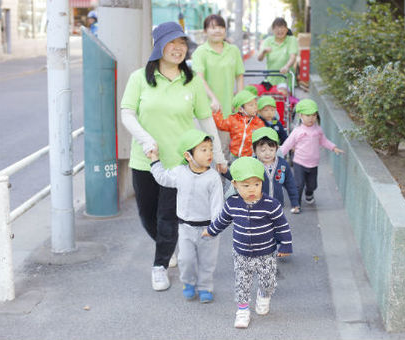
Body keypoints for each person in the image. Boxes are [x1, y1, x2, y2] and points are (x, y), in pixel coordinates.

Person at [120, 21, 226, 292]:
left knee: (168, 216)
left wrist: (219, 155)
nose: (178, 49)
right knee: (147, 215)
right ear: (159, 46)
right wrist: (145, 139)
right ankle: (167, 246)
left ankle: (159, 265)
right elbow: (127, 113)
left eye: (182, 44)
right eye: (172, 43)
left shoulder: (191, 81)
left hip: (180, 163)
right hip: (146, 160)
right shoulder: (139, 78)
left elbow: (205, 119)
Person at [202, 157, 293, 329]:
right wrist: (211, 230)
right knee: (242, 283)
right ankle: (242, 310)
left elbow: (282, 225)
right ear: (235, 184)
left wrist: (286, 244)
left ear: (261, 183)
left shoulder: (270, 205)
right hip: (241, 254)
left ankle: (263, 295)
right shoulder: (232, 204)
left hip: (266, 252)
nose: (252, 189)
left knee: (268, 280)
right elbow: (222, 220)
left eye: (256, 184)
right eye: (246, 185)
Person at [149, 129, 223, 303]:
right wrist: (154, 160)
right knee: (186, 259)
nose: (209, 154)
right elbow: (163, 178)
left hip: (208, 229)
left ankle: (205, 287)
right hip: (185, 227)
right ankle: (188, 283)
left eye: (210, 149)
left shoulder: (213, 177)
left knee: (207, 262)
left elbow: (217, 204)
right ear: (188, 155)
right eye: (203, 150)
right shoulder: (180, 172)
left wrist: (215, 227)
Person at [191, 14, 245, 161]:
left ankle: (220, 183)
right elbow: (199, 78)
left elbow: (239, 75)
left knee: (223, 150)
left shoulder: (233, 50)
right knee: (203, 151)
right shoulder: (200, 52)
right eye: (212, 27)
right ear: (205, 31)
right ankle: (205, 183)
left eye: (221, 27)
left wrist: (239, 101)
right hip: (205, 109)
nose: (217, 31)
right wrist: (213, 98)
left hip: (227, 110)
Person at [280, 99, 344, 207]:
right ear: (300, 115)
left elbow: (324, 141)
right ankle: (296, 204)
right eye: (308, 115)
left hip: (313, 163)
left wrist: (333, 147)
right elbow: (288, 144)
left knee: (312, 185)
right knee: (299, 185)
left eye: (314, 115)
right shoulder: (297, 131)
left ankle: (309, 193)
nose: (311, 118)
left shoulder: (318, 130)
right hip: (299, 162)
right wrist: (278, 155)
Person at [252, 127, 299, 213]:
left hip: (277, 205)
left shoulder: (282, 165)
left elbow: (290, 184)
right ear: (254, 151)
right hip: (257, 206)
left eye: (271, 150)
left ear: (277, 148)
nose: (267, 153)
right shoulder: (252, 165)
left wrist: (295, 202)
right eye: (263, 150)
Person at [213, 90, 265, 159]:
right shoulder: (233, 119)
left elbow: (264, 138)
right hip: (234, 156)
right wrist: (216, 112)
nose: (255, 107)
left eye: (255, 104)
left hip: (251, 157)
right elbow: (221, 125)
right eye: (251, 105)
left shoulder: (258, 123)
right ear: (240, 109)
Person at [257, 17, 298, 92]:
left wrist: (286, 67)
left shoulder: (292, 40)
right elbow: (259, 59)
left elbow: (293, 57)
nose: (280, 31)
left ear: (286, 29)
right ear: (273, 30)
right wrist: (263, 52)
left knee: (282, 96)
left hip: (285, 79)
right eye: (277, 28)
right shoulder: (268, 41)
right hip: (270, 80)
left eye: (282, 28)